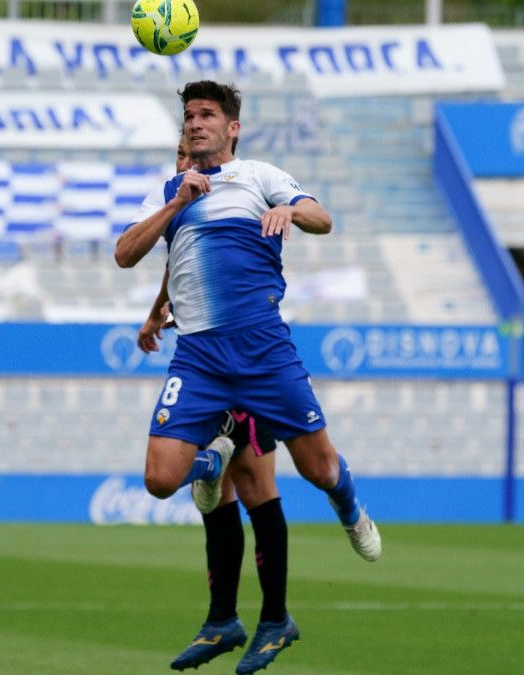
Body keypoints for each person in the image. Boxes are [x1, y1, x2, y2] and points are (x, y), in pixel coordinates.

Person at [115, 79, 381, 672]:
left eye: (206, 114)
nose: (194, 123)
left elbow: (323, 216)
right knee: (162, 480)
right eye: (188, 116)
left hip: (262, 351)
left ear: (232, 127)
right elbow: (130, 252)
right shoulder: (170, 192)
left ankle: (349, 506)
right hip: (200, 358)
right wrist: (176, 209)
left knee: (316, 469)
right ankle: (229, 608)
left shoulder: (259, 176)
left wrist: (290, 208)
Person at [137, 135, 292, 672]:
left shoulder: (242, 192)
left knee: (256, 489)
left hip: (249, 357)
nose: (185, 162)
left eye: (191, 153)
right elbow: (174, 267)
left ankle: (274, 619)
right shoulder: (180, 209)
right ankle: (222, 619)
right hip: (203, 364)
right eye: (179, 156)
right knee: (214, 495)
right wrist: (157, 311)